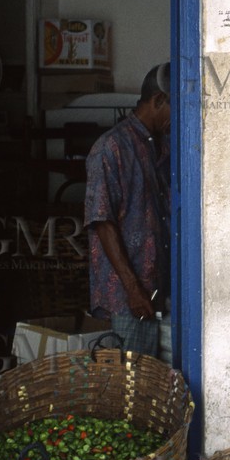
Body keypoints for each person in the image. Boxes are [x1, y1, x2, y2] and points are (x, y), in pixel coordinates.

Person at [85, 62, 171, 356]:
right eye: (177, 108)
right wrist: (133, 289)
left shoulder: (163, 144)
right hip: (130, 299)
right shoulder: (110, 148)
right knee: (131, 389)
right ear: (159, 100)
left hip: (161, 292)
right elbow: (101, 222)